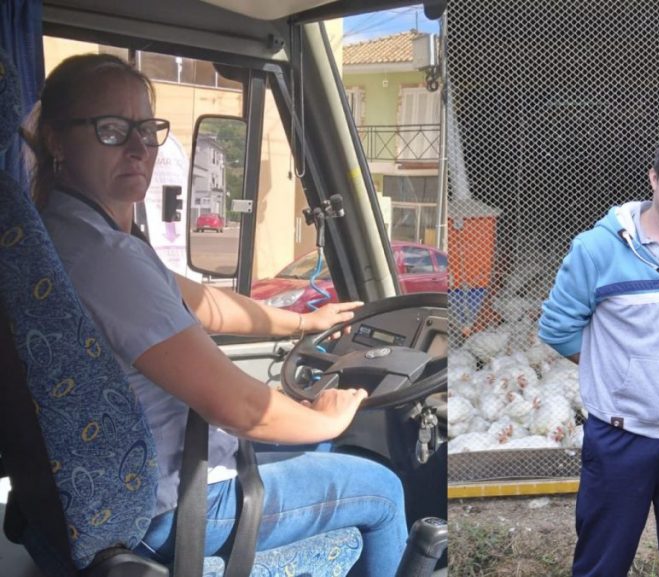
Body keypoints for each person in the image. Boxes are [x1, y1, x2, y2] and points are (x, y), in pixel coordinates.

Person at [29, 53, 406, 576]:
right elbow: (240, 408)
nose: (138, 148)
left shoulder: (64, 233)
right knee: (382, 488)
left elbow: (205, 303)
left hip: (111, 493)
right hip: (171, 506)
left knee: (321, 440)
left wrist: (304, 322)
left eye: (147, 130)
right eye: (111, 130)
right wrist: (331, 414)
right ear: (56, 140)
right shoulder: (105, 258)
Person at [538, 132, 659, 577]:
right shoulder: (597, 248)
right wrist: (619, 372)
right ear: (653, 178)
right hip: (620, 435)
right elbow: (557, 327)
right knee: (602, 564)